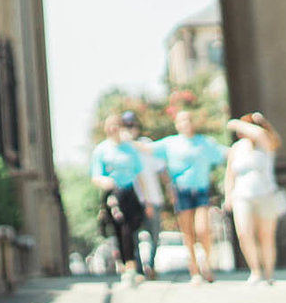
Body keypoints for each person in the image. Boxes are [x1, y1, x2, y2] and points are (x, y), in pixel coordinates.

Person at [151, 106, 226, 284]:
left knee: (203, 229)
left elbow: (224, 153)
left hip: (200, 190)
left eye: (188, 120)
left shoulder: (204, 142)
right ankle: (194, 269)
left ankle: (206, 263)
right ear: (177, 124)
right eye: (181, 121)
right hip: (181, 191)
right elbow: (147, 150)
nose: (185, 124)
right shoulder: (170, 143)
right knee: (188, 233)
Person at [224, 111, 286, 284]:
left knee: (266, 236)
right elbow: (230, 174)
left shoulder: (265, 143)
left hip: (266, 195)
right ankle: (255, 271)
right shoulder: (237, 148)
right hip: (242, 196)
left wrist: (240, 122)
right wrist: (228, 195)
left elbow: (260, 134)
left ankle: (269, 273)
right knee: (244, 233)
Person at [89, 112, 147, 286]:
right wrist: (105, 181)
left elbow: (139, 175)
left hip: (130, 192)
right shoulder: (101, 150)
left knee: (134, 227)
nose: (114, 129)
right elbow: (95, 176)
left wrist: (145, 199)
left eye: (117, 125)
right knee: (122, 227)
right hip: (113, 193)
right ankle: (128, 265)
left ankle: (132, 263)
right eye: (110, 125)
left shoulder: (129, 149)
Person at [119, 111, 163, 274]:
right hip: (132, 199)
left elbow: (160, 168)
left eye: (132, 126)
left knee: (154, 235)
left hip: (152, 197)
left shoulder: (145, 144)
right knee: (133, 235)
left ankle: (150, 265)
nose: (130, 129)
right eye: (126, 126)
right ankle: (137, 268)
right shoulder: (120, 150)